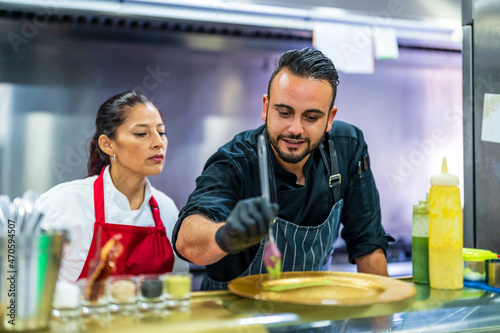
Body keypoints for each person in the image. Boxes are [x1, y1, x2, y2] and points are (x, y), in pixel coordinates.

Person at [173, 47, 394, 290]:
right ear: (266, 107)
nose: (295, 129)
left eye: (311, 117)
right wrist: (227, 234)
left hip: (310, 318)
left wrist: (383, 326)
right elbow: (187, 240)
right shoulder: (235, 161)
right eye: (285, 113)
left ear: (330, 119)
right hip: (236, 320)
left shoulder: (347, 148)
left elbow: (368, 245)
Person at [40, 91, 188, 282]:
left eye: (161, 132)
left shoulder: (167, 209)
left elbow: (178, 286)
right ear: (107, 144)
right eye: (142, 133)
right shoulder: (63, 204)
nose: (158, 143)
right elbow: (25, 283)